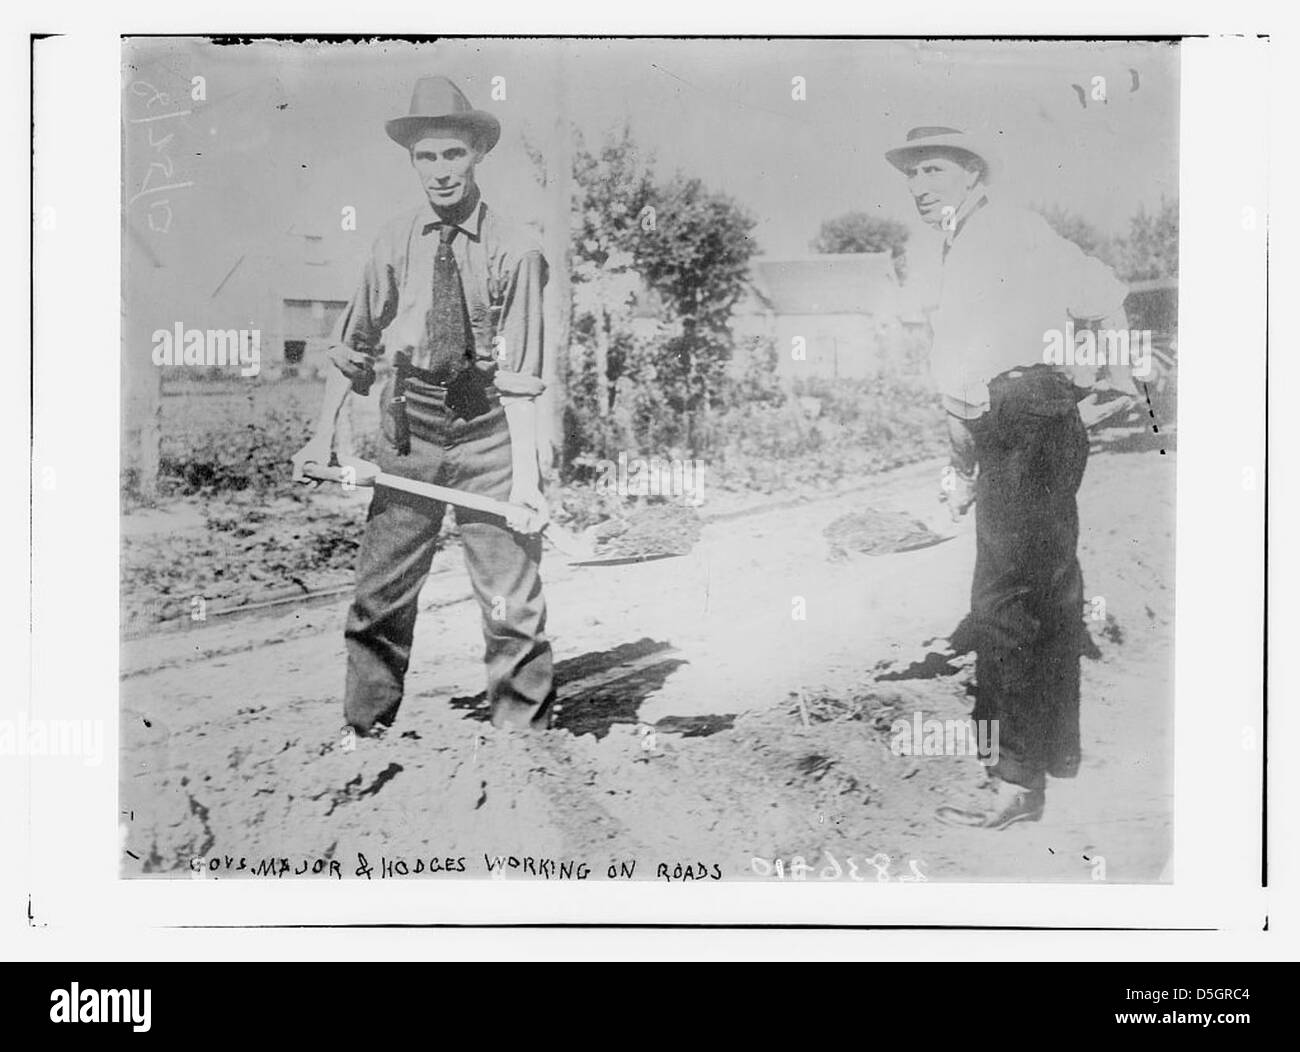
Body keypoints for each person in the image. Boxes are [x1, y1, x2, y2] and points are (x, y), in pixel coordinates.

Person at [884, 126, 1135, 828]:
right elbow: (1101, 294)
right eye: (910, 176)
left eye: (932, 170)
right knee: (1051, 592)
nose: (918, 187)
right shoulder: (986, 237)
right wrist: (1115, 375)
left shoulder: (996, 235)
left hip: (1021, 420)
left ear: (970, 173)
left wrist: (1116, 377)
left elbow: (1100, 295)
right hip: (1035, 419)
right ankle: (1052, 760)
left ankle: (1015, 782)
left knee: (1004, 602)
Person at [292, 76, 555, 737]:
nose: (440, 172)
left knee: (510, 601)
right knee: (380, 595)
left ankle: (523, 748)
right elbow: (351, 350)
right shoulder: (391, 241)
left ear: (476, 156)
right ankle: (365, 734)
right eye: (426, 157)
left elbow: (522, 381)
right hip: (407, 430)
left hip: (490, 432)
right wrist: (320, 439)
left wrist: (525, 482)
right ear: (412, 161)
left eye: (453, 155)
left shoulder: (516, 249)